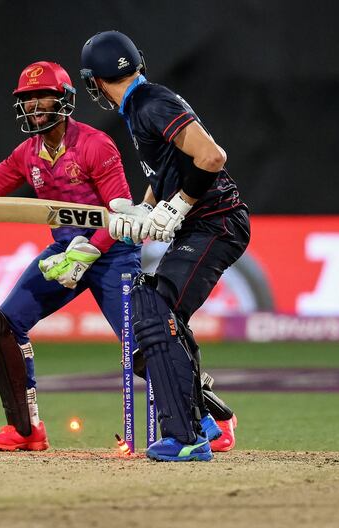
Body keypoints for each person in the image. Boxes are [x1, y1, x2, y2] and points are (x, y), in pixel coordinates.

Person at [0, 61, 143, 452]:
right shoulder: (27, 153)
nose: (33, 105)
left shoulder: (95, 144)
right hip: (64, 252)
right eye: (27, 99)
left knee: (143, 347)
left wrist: (89, 251)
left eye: (41, 96)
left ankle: (211, 419)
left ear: (64, 99)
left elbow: (123, 212)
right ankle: (26, 430)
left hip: (113, 252)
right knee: (4, 325)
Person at [80, 30, 249, 461]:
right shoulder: (141, 107)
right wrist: (144, 210)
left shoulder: (151, 103)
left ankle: (188, 437)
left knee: (155, 308)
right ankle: (205, 421)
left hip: (217, 223)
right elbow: (165, 170)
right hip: (203, 225)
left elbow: (212, 157)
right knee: (151, 307)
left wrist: (178, 207)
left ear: (94, 81)